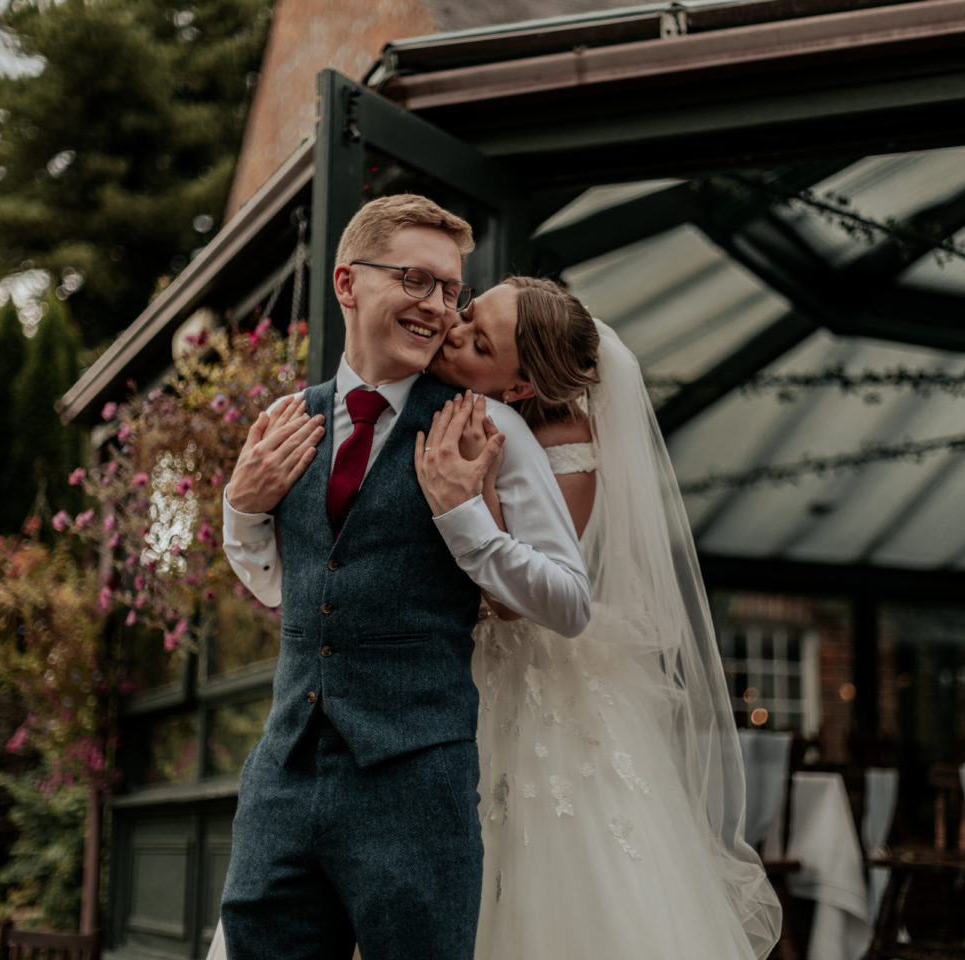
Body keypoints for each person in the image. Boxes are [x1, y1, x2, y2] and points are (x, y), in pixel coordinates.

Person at [221, 274, 783, 959]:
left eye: (478, 341)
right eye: (469, 311)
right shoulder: (404, 400)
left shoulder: (561, 447)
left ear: (517, 387)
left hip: (507, 672)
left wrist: (470, 504)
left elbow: (520, 608)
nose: (453, 329)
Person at [217, 194, 591, 960]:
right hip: (281, 780)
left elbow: (571, 602)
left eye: (451, 290)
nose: (439, 308)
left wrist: (465, 518)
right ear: (348, 284)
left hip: (416, 786)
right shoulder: (289, 417)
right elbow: (285, 588)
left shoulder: (493, 428)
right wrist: (239, 509)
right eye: (416, 281)